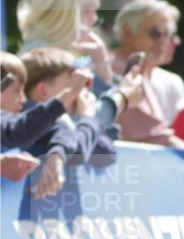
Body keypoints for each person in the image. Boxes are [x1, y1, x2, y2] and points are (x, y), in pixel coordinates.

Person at [15, 47, 141, 197]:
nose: (83, 91)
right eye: (75, 84)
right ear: (43, 91)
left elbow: (106, 151)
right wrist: (90, 117)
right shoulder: (28, 120)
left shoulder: (64, 123)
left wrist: (88, 120)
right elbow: (77, 151)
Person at [17, 0, 114, 89]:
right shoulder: (43, 60)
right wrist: (101, 62)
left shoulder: (55, 52)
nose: (94, 18)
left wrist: (100, 59)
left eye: (94, 10)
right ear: (64, 15)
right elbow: (101, 100)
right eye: (87, 11)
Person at [111, 0, 184, 134]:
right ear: (127, 32)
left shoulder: (172, 82)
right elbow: (150, 135)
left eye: (168, 34)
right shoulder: (105, 72)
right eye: (156, 34)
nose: (163, 41)